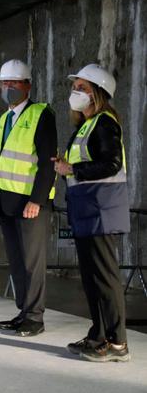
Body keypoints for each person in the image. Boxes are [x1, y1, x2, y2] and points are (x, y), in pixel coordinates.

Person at [53, 64, 130, 362]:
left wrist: (72, 168)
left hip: (101, 209)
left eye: (82, 88)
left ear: (98, 93)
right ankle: (99, 334)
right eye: (75, 87)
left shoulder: (105, 123)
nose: (76, 92)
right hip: (87, 208)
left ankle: (117, 343)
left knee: (105, 277)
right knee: (91, 277)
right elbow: (83, 168)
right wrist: (65, 168)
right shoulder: (85, 125)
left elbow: (110, 164)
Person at [0, 59, 57, 337]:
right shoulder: (5, 118)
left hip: (30, 204)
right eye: (4, 83)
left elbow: (47, 162)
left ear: (28, 85)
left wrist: (37, 200)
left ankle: (35, 317)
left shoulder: (42, 114)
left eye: (14, 83)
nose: (8, 88)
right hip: (6, 201)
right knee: (17, 261)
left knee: (32, 262)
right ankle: (23, 311)